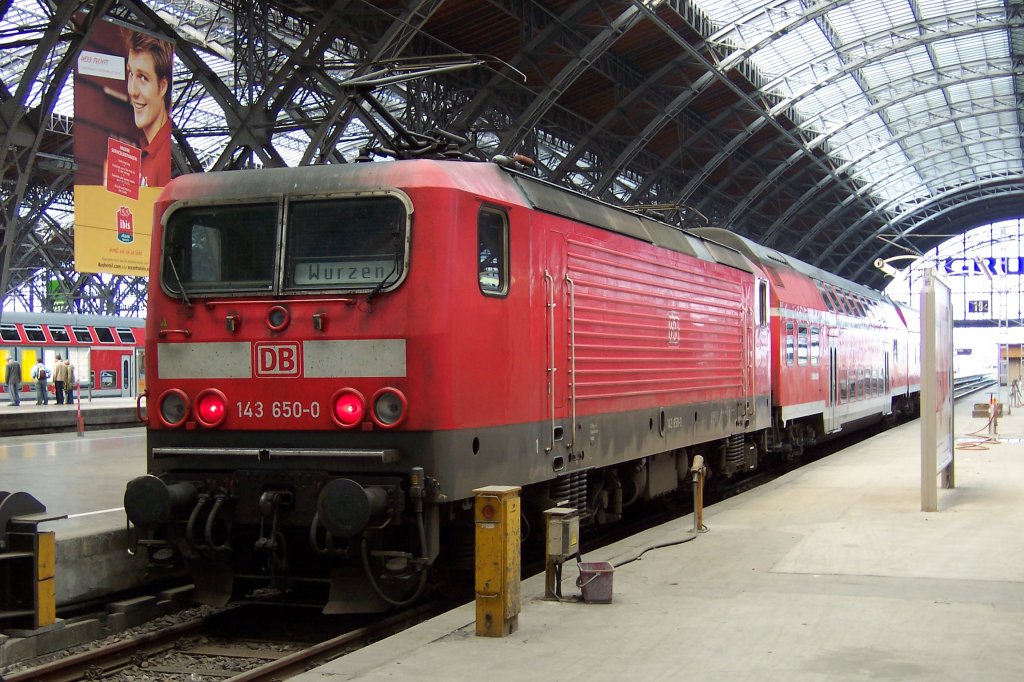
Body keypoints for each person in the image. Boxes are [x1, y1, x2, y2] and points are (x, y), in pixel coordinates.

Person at [124, 29, 173, 188]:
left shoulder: (166, 157)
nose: (133, 91)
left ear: (162, 86)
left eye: (143, 78)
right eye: (130, 73)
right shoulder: (143, 151)